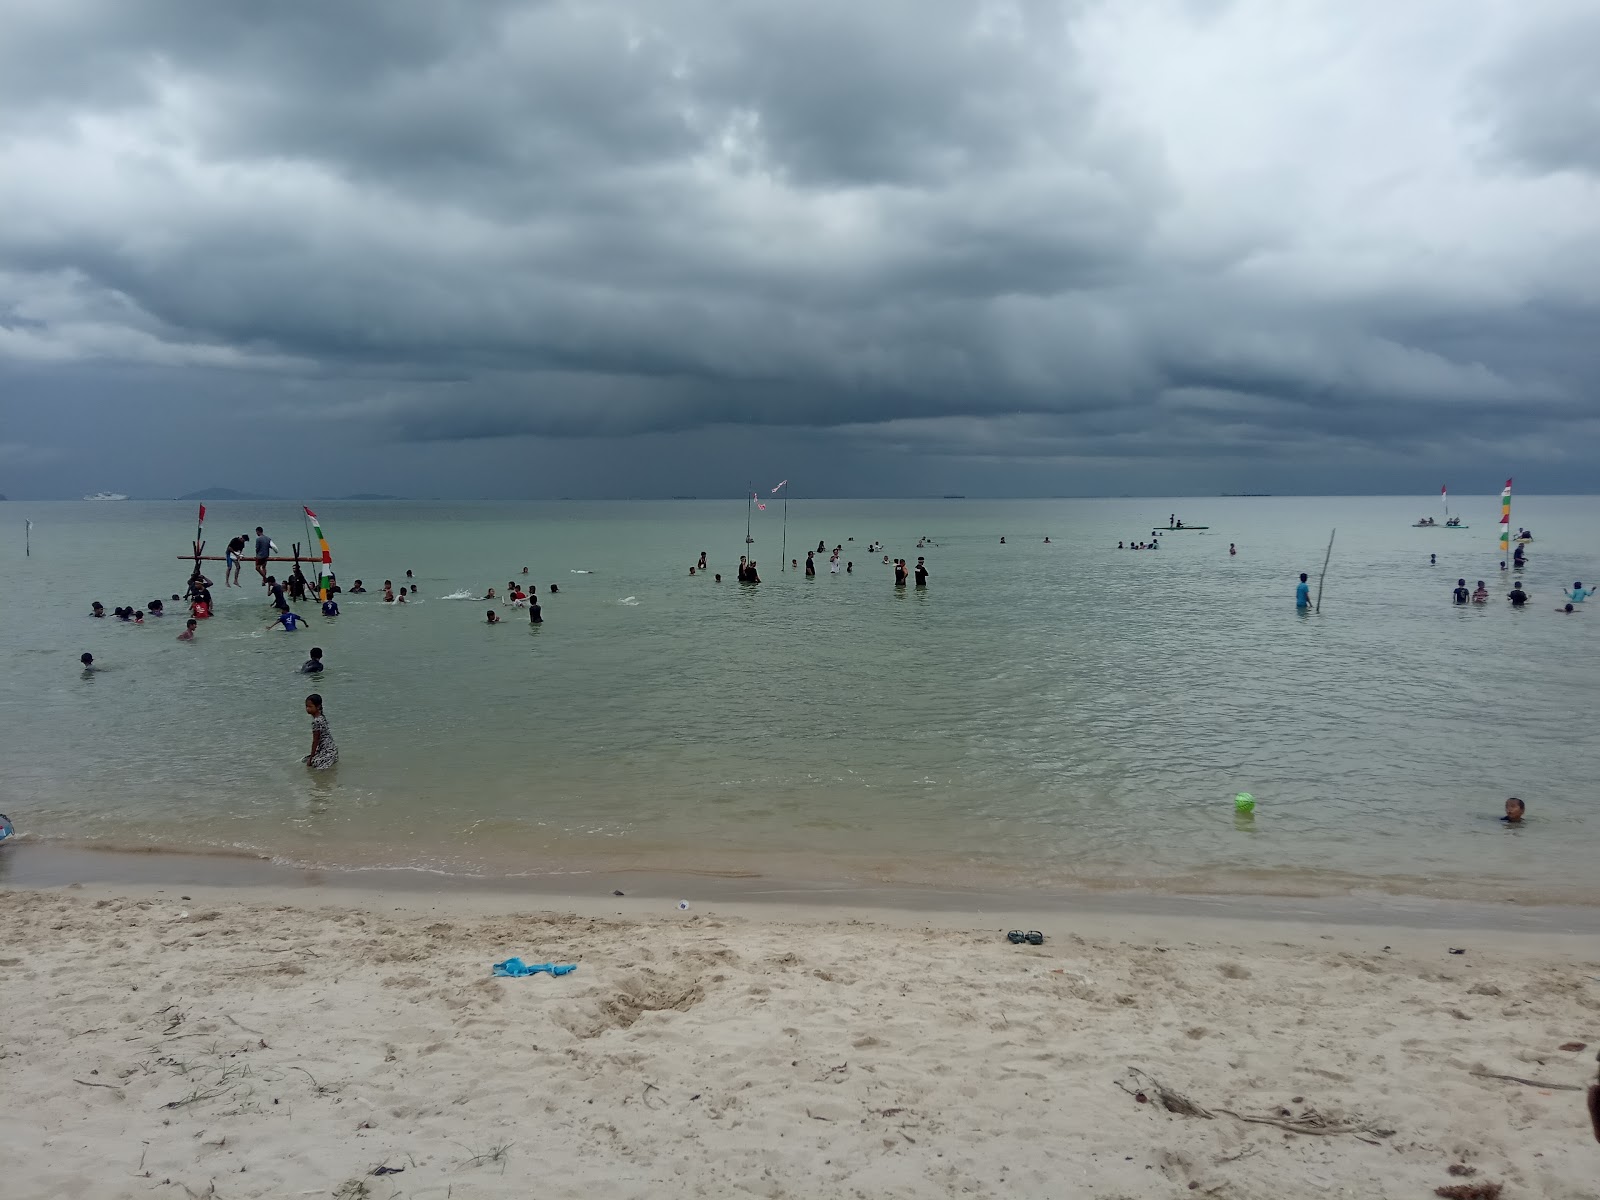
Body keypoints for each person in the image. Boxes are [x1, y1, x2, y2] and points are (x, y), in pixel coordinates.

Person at [302, 694, 338, 770]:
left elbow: (315, 741)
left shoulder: (316, 721)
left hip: (327, 752)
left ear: (318, 707)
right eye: (306, 706)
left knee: (312, 764)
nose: (307, 709)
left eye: (310, 707)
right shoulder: (322, 717)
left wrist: (311, 758)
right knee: (305, 760)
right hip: (332, 750)